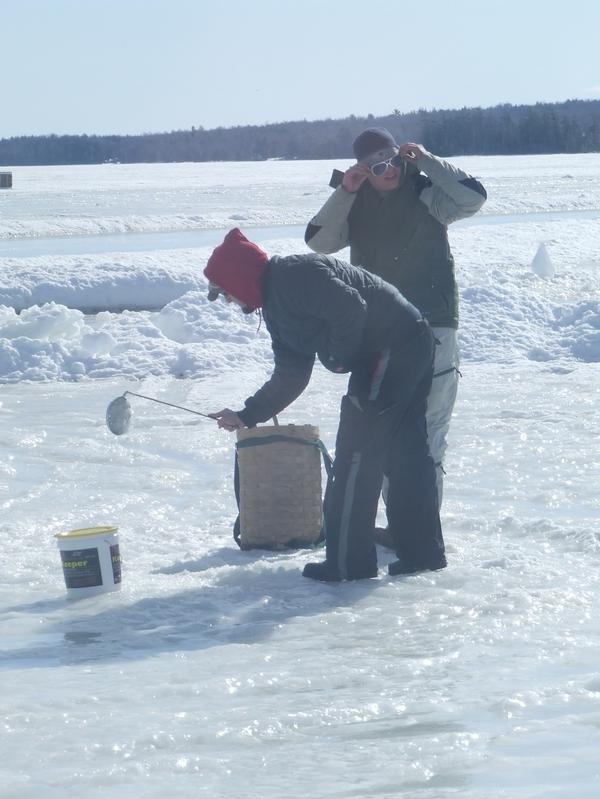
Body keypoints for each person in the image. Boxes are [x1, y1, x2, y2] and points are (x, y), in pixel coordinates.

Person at [204, 227, 445, 581]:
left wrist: (337, 357)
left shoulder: (295, 276)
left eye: (225, 293)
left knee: (357, 454)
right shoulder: (276, 304)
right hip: (402, 345)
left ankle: (349, 564)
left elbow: (351, 307)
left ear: (239, 279)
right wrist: (247, 414)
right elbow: (291, 374)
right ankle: (423, 554)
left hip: (393, 347)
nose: (228, 301)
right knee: (404, 450)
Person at [305, 128, 487, 523]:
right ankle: (400, 523)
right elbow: (319, 243)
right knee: (385, 430)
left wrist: (424, 159)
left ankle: (422, 527)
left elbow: (473, 197)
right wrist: (346, 192)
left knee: (428, 430)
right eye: (376, 166)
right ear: (362, 171)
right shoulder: (356, 204)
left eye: (392, 159)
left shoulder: (427, 193)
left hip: (434, 326)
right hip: (381, 334)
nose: (388, 171)